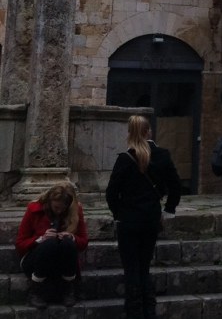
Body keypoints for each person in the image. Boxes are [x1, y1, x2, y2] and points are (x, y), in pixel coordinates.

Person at [106, 115, 182, 318]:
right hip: (151, 219)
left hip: (129, 220)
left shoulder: (125, 158)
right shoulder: (163, 155)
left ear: (130, 134)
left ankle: (134, 312)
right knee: (144, 267)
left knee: (131, 269)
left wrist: (118, 213)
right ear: (149, 131)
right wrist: (169, 210)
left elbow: (111, 192)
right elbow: (176, 187)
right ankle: (149, 310)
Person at [15, 182, 88, 309]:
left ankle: (68, 289)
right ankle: (36, 291)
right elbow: (20, 244)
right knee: (49, 243)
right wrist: (40, 239)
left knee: (67, 243)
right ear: (49, 202)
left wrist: (72, 237)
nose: (59, 211)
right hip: (36, 260)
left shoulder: (75, 211)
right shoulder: (34, 209)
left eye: (62, 208)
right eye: (56, 207)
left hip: (62, 261)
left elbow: (83, 242)